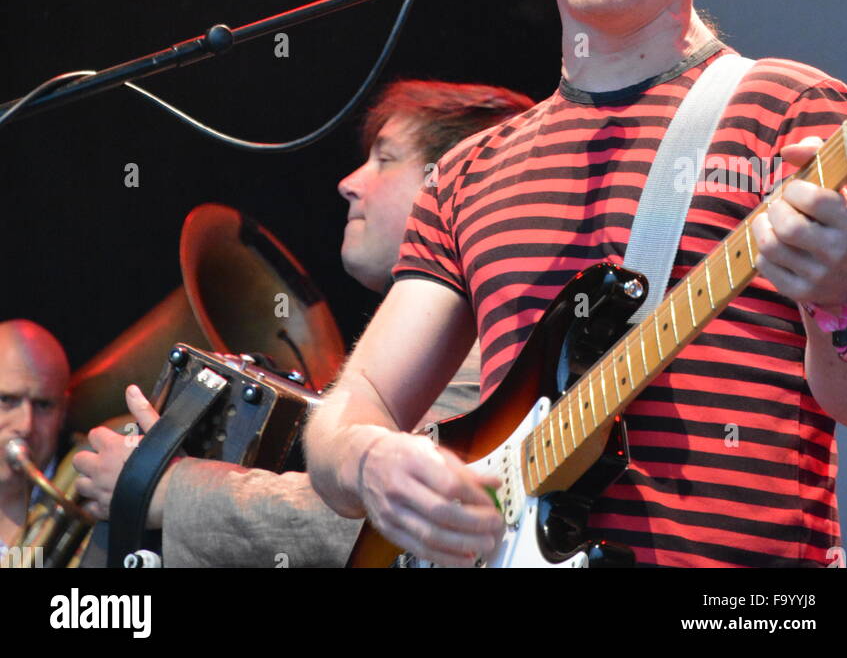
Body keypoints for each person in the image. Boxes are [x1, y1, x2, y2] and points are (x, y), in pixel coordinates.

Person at [305, 0, 847, 569]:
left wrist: (844, 298)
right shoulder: (471, 172)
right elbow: (352, 411)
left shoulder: (792, 111)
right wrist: (370, 463)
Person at [73, 79, 534, 567]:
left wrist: (167, 489)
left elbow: (379, 520)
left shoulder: (483, 349)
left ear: (449, 181)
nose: (350, 182)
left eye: (385, 158)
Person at [0, 320, 70, 561]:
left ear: (64, 412)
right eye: (7, 400)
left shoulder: (92, 499)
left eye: (44, 405)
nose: (25, 426)